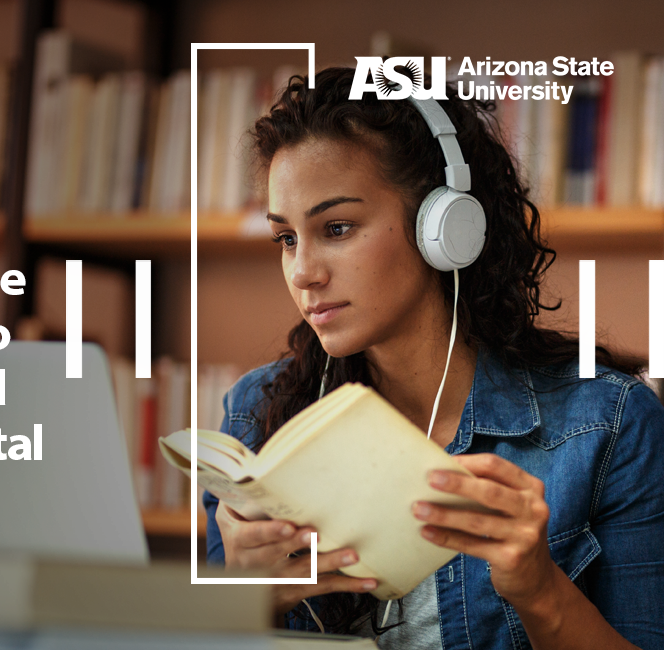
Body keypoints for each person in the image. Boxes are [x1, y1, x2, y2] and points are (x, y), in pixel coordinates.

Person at [203, 66, 664, 650]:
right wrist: (241, 599)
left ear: (444, 227)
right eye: (286, 238)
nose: (303, 273)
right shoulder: (256, 415)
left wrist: (541, 591)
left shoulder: (611, 425)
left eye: (337, 227)